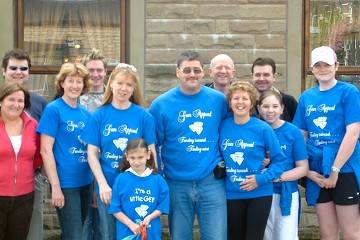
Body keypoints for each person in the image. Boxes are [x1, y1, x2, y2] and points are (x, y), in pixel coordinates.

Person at [150, 50, 228, 240]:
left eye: (196, 70)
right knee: (180, 236)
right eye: (187, 70)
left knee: (216, 236)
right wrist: (157, 176)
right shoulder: (160, 104)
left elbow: (230, 133)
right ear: (178, 72)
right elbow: (153, 145)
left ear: (203, 72)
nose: (192, 74)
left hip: (211, 181)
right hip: (176, 182)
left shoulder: (218, 101)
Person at [293, 46, 360, 240]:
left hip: (344, 168)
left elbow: (353, 132)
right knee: (327, 233)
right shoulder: (307, 96)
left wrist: (335, 170)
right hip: (317, 169)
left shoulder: (348, 92)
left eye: (327, 65)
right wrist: (306, 169)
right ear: (312, 68)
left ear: (336, 66)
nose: (322, 69)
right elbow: (301, 135)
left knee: (351, 233)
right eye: (318, 65)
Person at [82, 66, 156, 240]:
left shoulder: (144, 116)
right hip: (108, 186)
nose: (124, 88)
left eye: (129, 85)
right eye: (120, 83)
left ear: (134, 88)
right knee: (108, 234)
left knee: (136, 233)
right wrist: (101, 184)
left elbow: (151, 152)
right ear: (111, 84)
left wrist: (152, 182)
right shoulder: (99, 115)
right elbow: (92, 153)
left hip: (137, 185)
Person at [219, 81, 287, 240]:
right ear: (230, 102)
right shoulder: (222, 126)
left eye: (245, 98)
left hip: (259, 193)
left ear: (251, 103)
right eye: (236, 98)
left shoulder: (263, 128)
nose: (240, 102)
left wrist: (261, 179)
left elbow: (280, 161)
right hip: (231, 193)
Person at [37, 63, 93, 240]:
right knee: (74, 236)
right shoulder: (53, 110)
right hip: (66, 184)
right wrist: (55, 187)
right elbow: (45, 150)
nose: (75, 86)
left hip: (86, 181)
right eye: (71, 81)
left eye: (79, 81)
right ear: (62, 83)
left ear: (84, 85)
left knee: (76, 232)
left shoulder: (86, 113)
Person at [1, 48, 47, 240]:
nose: (18, 72)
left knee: (30, 232)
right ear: (4, 71)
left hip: (29, 182)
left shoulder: (39, 103)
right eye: (13, 68)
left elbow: (42, 147)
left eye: (23, 68)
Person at [258, 90, 309, 240]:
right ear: (259, 109)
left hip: (285, 194)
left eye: (275, 106)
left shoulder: (292, 131)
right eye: (266, 106)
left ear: (282, 109)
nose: (270, 110)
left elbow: (303, 168)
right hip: (259, 193)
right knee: (265, 236)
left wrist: (277, 177)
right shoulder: (254, 129)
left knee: (285, 236)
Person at [109, 138, 169, 240]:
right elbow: (115, 209)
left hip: (151, 233)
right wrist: (131, 224)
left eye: (140, 157)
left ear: (148, 155)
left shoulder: (158, 180)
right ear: (126, 156)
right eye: (132, 158)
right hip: (126, 233)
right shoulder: (121, 179)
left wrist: (149, 217)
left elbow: (162, 206)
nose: (136, 162)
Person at [251, 57, 297, 122]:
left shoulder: (288, 102)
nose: (261, 79)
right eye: (257, 75)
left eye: (266, 75)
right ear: (252, 77)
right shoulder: (246, 103)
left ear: (274, 77)